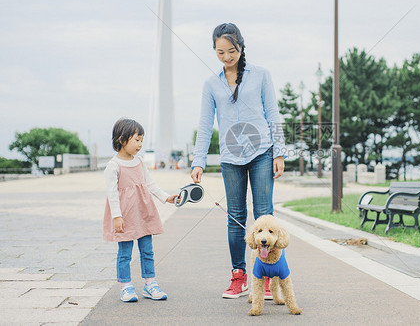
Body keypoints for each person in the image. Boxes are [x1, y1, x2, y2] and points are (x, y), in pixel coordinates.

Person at [191, 23, 286, 299]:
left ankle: (266, 275)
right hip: (230, 157)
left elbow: (273, 113)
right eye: (220, 52)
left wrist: (279, 152)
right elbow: (205, 125)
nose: (226, 57)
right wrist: (198, 161)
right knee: (235, 218)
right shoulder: (211, 84)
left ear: (241, 47)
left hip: (262, 153)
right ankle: (239, 276)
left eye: (231, 51)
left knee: (264, 215)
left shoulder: (261, 75)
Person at [103, 118, 178, 302]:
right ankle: (126, 286)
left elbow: (150, 184)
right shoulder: (113, 166)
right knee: (125, 253)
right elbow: (112, 194)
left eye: (141, 140)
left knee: (147, 251)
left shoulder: (140, 162)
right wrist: (117, 216)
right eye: (137, 139)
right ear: (122, 139)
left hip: (143, 213)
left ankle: (150, 284)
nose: (140, 144)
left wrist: (165, 197)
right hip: (125, 216)